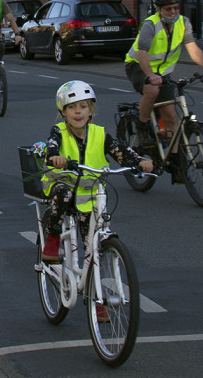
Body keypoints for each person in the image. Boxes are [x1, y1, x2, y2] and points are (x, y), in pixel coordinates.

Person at [39, 81, 154, 291]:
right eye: (72, 107)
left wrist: (139, 161)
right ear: (63, 112)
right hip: (63, 183)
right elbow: (52, 146)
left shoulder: (100, 134)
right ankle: (53, 238)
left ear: (91, 110)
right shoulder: (59, 131)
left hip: (89, 193)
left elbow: (120, 150)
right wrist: (55, 157)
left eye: (83, 106)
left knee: (92, 244)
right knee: (63, 194)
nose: (78, 112)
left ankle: (96, 297)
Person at [124, 0, 203, 132]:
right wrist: (150, 75)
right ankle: (143, 125)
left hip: (163, 71)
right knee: (152, 91)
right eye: (168, 9)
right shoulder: (150, 25)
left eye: (176, 8)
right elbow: (142, 53)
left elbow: (192, 48)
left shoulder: (183, 23)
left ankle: (172, 147)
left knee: (170, 116)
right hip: (138, 65)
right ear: (158, 9)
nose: (173, 12)